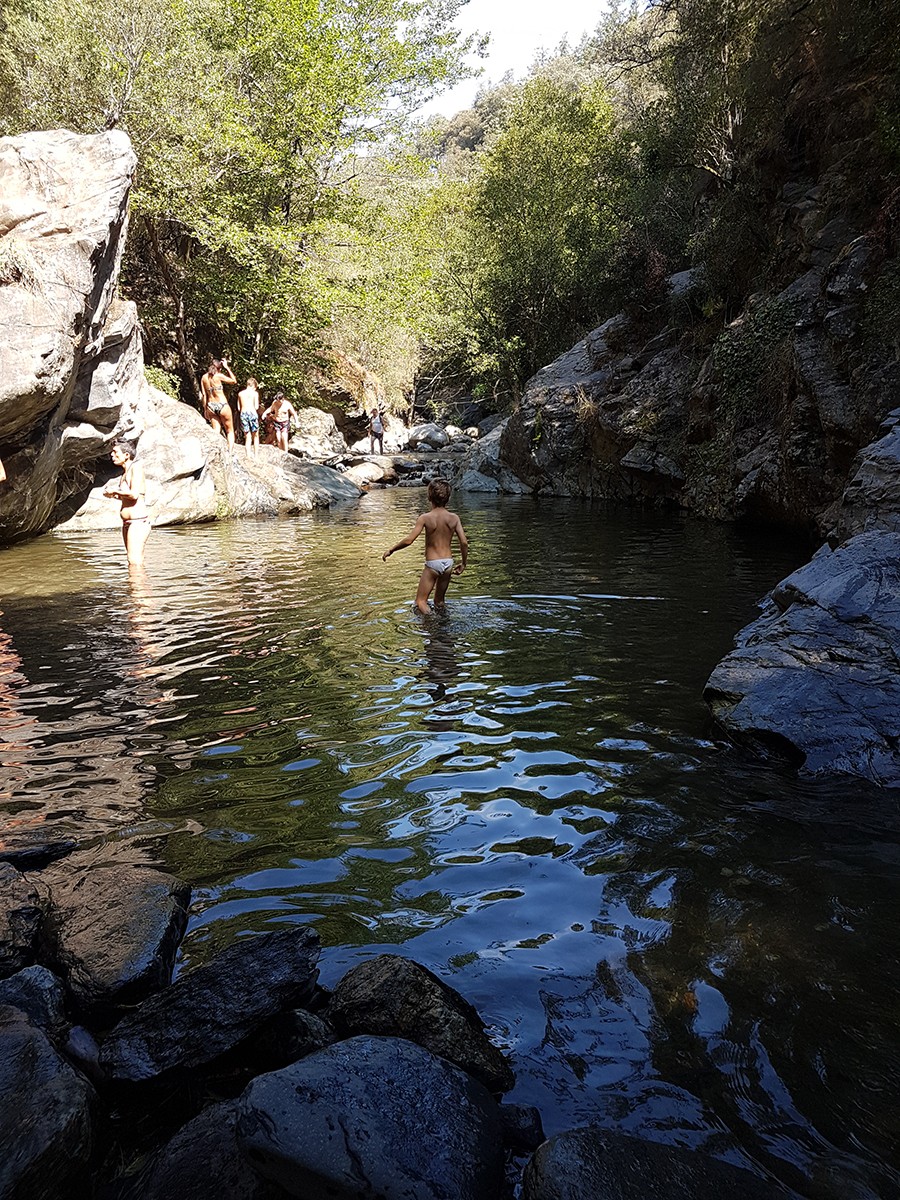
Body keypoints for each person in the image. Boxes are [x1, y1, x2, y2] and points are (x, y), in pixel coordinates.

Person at [382, 477, 468, 614]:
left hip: (433, 564)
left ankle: (430, 625)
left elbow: (409, 540)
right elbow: (464, 542)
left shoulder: (425, 518)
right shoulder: (454, 518)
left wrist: (391, 550)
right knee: (439, 601)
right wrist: (463, 563)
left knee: (420, 601)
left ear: (429, 496)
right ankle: (443, 627)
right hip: (448, 563)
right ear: (448, 498)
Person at [104, 439, 151, 567]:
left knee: (134, 561)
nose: (112, 455)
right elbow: (127, 498)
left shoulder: (136, 467)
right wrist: (113, 495)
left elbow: (134, 494)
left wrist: (115, 490)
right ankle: (134, 587)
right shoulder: (124, 473)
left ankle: (138, 586)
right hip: (127, 523)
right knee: (133, 561)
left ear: (126, 455)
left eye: (115, 452)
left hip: (138, 522)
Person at [201, 358, 237, 451]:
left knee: (216, 431)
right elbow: (234, 381)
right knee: (230, 431)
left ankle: (215, 451)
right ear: (219, 368)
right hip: (222, 405)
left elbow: (204, 395)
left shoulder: (204, 378)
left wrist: (205, 409)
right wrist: (227, 367)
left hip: (211, 406)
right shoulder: (218, 376)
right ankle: (229, 453)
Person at [237, 377, 261, 454]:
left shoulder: (240, 394)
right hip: (252, 413)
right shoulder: (255, 394)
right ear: (254, 386)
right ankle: (256, 455)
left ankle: (248, 455)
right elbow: (256, 407)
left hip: (243, 414)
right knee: (256, 435)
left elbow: (238, 408)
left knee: (247, 436)